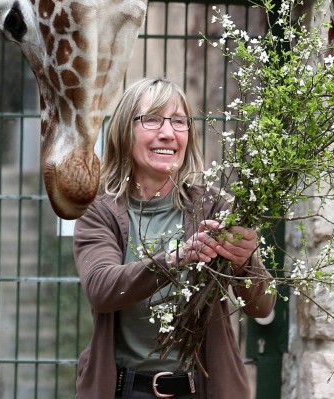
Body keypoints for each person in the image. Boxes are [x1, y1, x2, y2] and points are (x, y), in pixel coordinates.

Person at [74, 77, 275, 398]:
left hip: (203, 389)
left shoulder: (213, 206)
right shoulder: (101, 212)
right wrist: (176, 258)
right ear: (126, 131)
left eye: (179, 122)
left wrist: (245, 264)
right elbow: (102, 288)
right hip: (126, 390)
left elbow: (262, 307)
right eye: (152, 119)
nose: (167, 133)